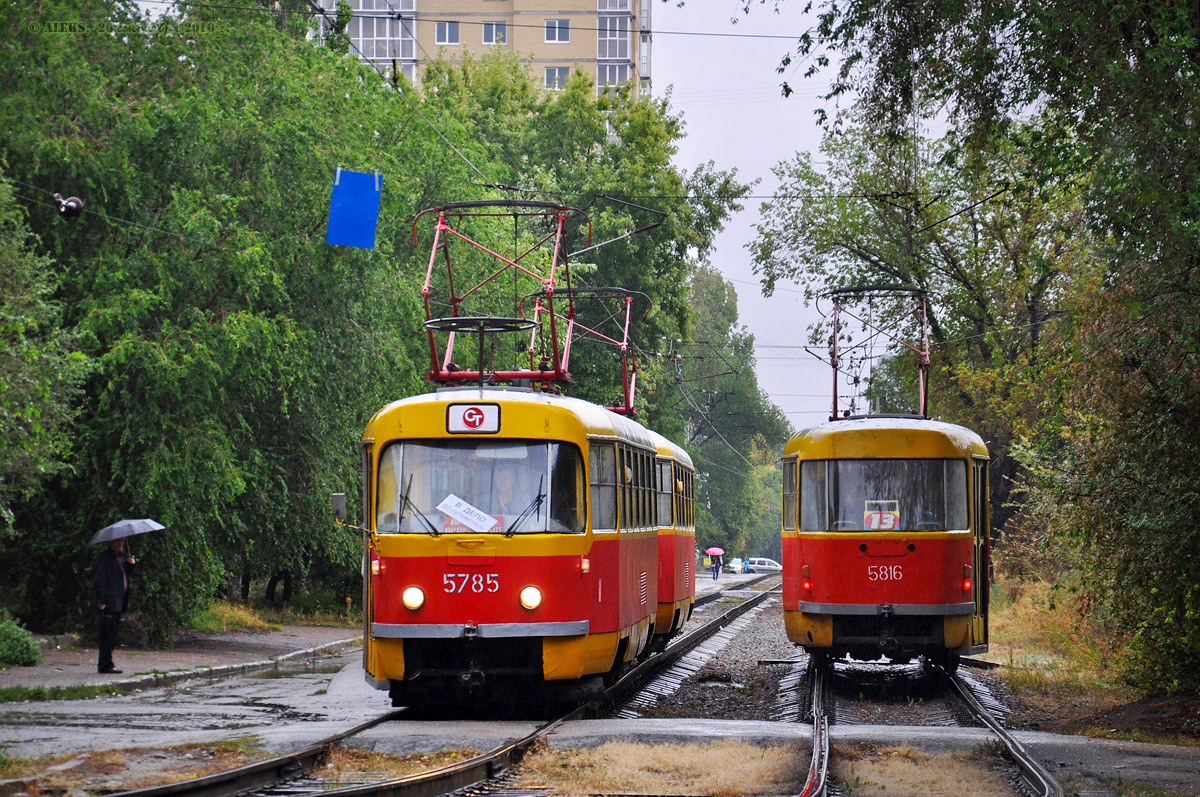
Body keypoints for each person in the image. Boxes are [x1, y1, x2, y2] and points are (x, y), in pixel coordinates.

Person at [94, 537, 135, 674]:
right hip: (109, 602)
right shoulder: (105, 558)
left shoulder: (121, 558)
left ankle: (108, 663)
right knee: (107, 634)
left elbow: (123, 576)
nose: (121, 544)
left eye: (122, 541)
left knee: (113, 634)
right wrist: (101, 601)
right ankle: (105, 665)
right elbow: (100, 579)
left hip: (119, 601)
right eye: (118, 541)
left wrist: (130, 565)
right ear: (111, 542)